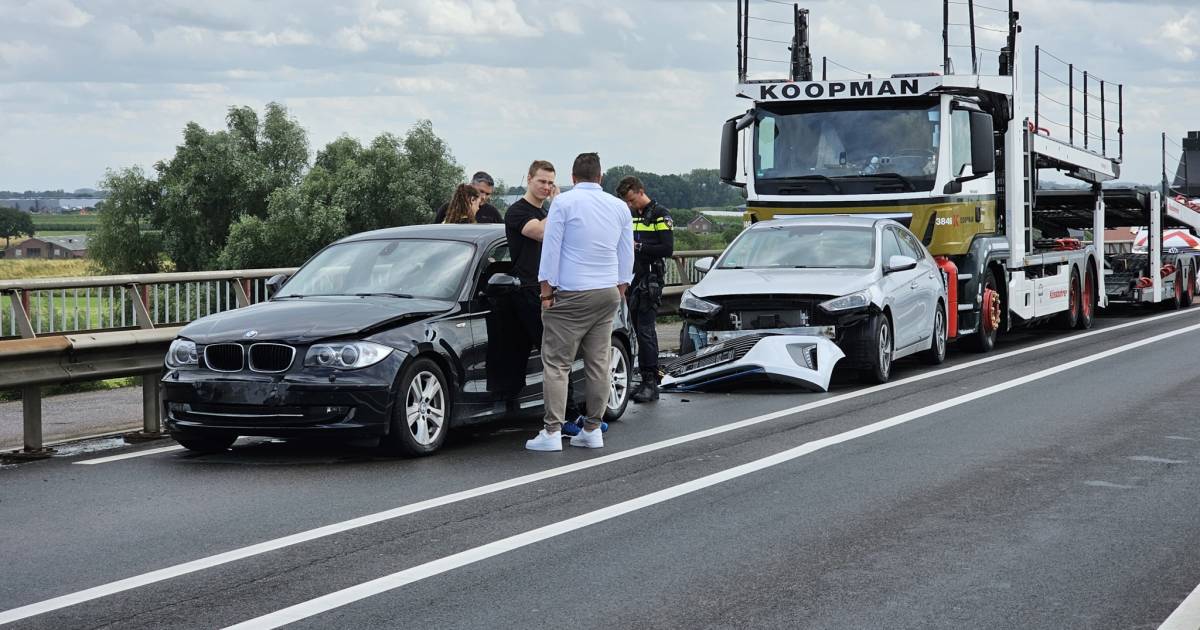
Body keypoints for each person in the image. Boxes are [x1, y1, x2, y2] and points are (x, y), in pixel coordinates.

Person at [526, 153, 633, 452]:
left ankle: (551, 432)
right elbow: (627, 256)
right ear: (600, 177)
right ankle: (592, 429)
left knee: (557, 364)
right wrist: (620, 290)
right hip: (608, 292)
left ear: (572, 178)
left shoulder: (564, 203)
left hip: (571, 294)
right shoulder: (619, 207)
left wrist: (546, 292)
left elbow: (551, 249)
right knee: (598, 363)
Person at [488, 161, 559, 399]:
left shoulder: (547, 214)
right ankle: (565, 414)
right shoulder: (518, 211)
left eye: (550, 183)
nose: (547, 187)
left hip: (553, 289)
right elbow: (539, 233)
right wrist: (558, 207)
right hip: (528, 291)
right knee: (550, 354)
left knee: (557, 355)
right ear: (529, 179)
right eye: (542, 181)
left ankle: (569, 409)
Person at [616, 175, 674, 403]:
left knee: (646, 331)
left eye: (632, 200)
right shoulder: (631, 216)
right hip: (633, 279)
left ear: (641, 192)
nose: (630, 205)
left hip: (650, 280)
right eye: (627, 202)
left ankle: (651, 382)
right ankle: (644, 378)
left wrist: (638, 246)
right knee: (636, 330)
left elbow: (667, 248)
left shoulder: (660, 214)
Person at [434, 171, 503, 224]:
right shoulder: (447, 208)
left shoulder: (492, 212)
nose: (484, 197)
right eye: (481, 191)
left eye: (487, 194)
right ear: (470, 186)